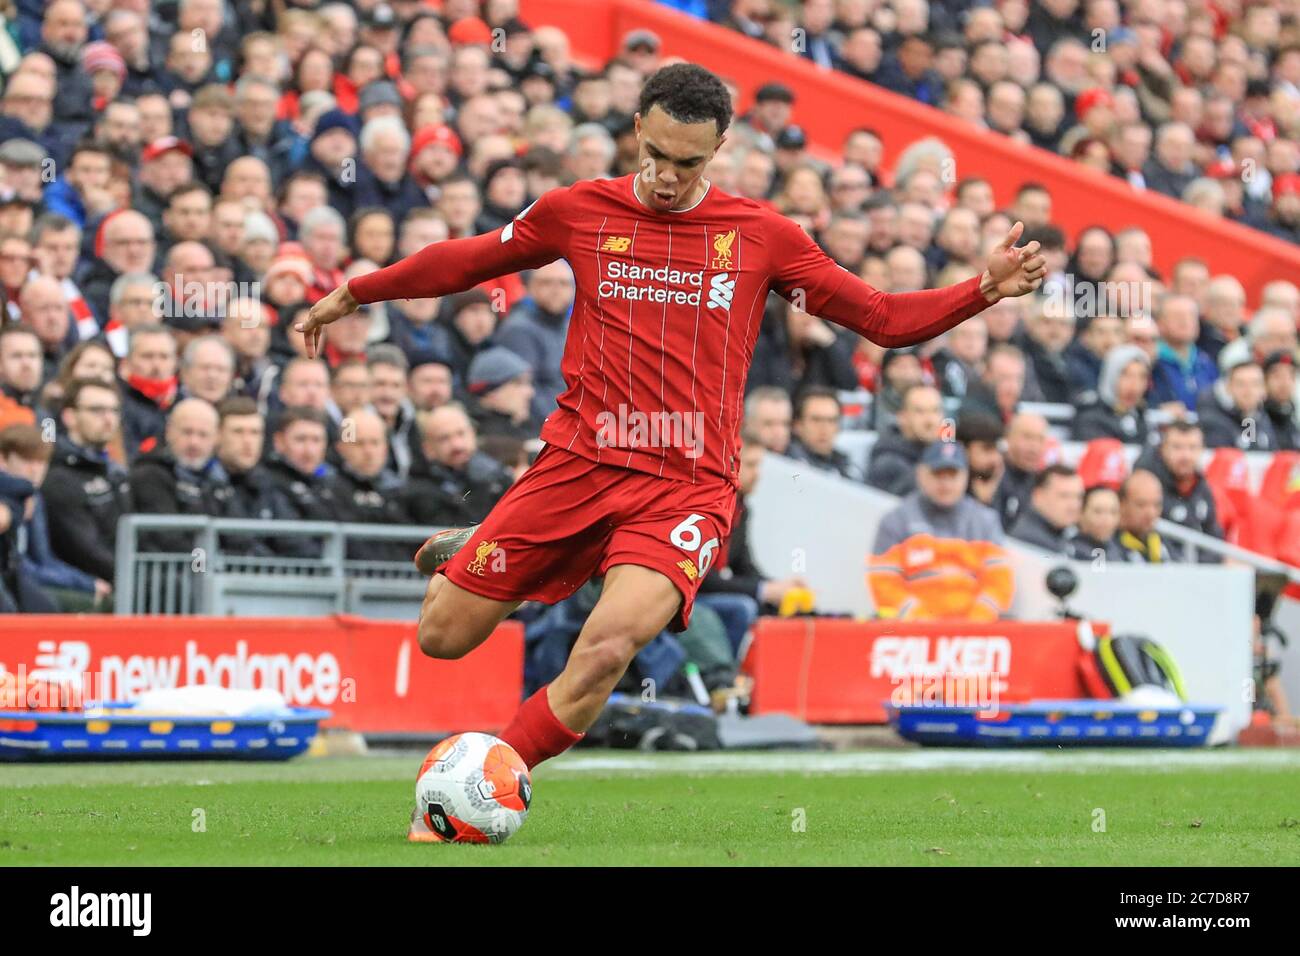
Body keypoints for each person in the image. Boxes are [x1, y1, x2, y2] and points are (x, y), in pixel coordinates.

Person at [296, 63, 1046, 832]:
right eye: (654, 153)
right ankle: (487, 551)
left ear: (719, 148)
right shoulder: (576, 211)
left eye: (687, 162)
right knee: (443, 637)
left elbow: (882, 317)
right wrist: (360, 291)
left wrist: (980, 290)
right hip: (577, 466)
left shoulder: (762, 237)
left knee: (604, 647)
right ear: (636, 132)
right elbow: (468, 259)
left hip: (686, 488)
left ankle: (487, 778)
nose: (664, 175)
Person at [868, 441, 1013, 621]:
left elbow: (999, 581)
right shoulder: (896, 520)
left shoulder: (985, 521)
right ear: (921, 474)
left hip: (974, 629)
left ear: (965, 476)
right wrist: (919, 618)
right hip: (913, 629)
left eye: (952, 475)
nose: (945, 483)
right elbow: (883, 580)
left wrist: (976, 620)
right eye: (938, 474)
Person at [42, 377, 131, 583]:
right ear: (70, 416)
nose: (109, 419)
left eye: (114, 411)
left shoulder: (117, 472)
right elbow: (86, 551)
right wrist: (136, 580)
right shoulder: (59, 476)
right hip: (91, 588)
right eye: (97, 410)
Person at [1134, 421, 1223, 561]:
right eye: (1177, 447)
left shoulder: (1202, 487)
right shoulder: (1146, 486)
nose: (1186, 456)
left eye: (1192, 448)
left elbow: (1214, 536)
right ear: (1163, 449)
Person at [865, 383, 943, 495]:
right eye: (920, 411)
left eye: (935, 411)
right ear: (902, 417)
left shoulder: (945, 454)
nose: (930, 420)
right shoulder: (886, 463)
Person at [1197, 360, 1278, 452]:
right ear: (1229, 388)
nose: (1248, 391)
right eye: (1241, 384)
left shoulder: (1263, 419)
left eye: (1255, 384)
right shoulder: (1213, 421)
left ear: (1264, 389)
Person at [785, 386, 860, 480]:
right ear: (797, 425)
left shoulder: (848, 468)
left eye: (831, 421)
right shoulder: (786, 465)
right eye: (816, 420)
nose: (824, 429)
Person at [1009, 464, 1084, 556]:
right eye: (1064, 496)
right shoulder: (1030, 540)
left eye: (1079, 497)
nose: (1074, 505)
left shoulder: (1064, 533)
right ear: (1038, 496)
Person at [991, 411, 1047, 531]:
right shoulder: (991, 474)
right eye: (1027, 437)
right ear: (1007, 437)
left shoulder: (1043, 482)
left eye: (1040, 439)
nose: (1034, 447)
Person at [1116, 470, 1169, 563]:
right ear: (1122, 504)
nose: (1150, 513)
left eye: (1156, 505)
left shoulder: (1161, 542)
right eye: (1141, 504)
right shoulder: (1104, 545)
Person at [1069, 485, 1128, 563]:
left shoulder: (1124, 552)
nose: (1106, 519)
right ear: (1081, 513)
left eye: (1113, 512)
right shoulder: (1068, 551)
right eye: (1098, 511)